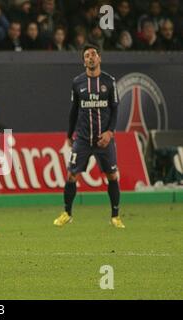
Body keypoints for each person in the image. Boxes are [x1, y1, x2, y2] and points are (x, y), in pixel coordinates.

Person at [53, 44, 125, 229]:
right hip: (83, 139)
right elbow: (74, 110)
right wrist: (69, 135)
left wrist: (110, 132)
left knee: (112, 175)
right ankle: (67, 213)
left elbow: (115, 109)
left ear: (99, 58)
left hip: (104, 140)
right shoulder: (77, 82)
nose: (91, 58)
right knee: (71, 175)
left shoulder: (109, 81)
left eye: (94, 54)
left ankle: (115, 216)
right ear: (83, 60)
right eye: (87, 55)